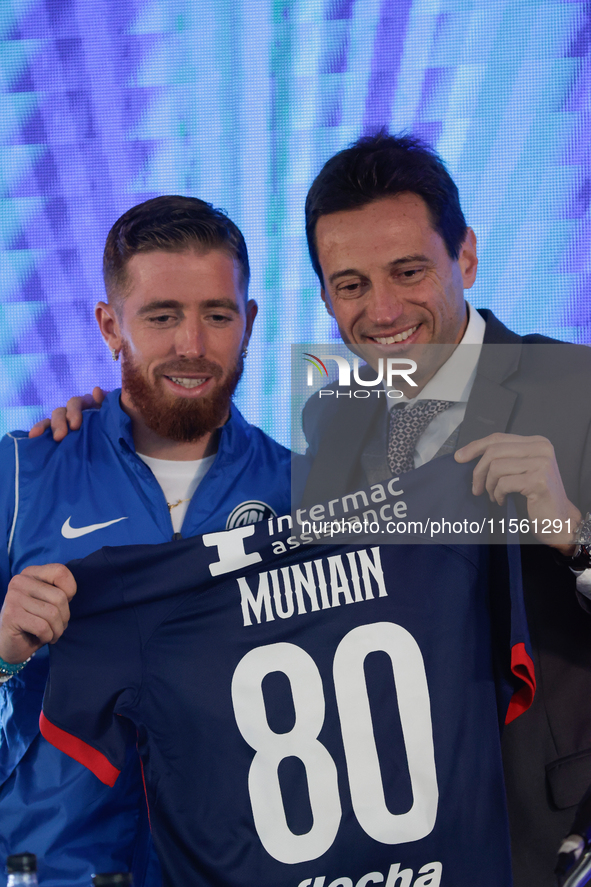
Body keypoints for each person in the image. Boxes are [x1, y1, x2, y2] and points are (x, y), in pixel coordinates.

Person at [299, 132, 591, 887]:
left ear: (463, 255)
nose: (383, 309)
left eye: (407, 271)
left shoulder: (578, 387)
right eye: (351, 284)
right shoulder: (330, 416)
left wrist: (573, 534)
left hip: (551, 839)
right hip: (392, 842)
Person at [0, 196, 291, 886]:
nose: (191, 344)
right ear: (110, 325)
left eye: (217, 315)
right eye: (161, 316)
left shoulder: (305, 496)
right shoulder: (20, 479)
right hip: (52, 870)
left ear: (247, 323)